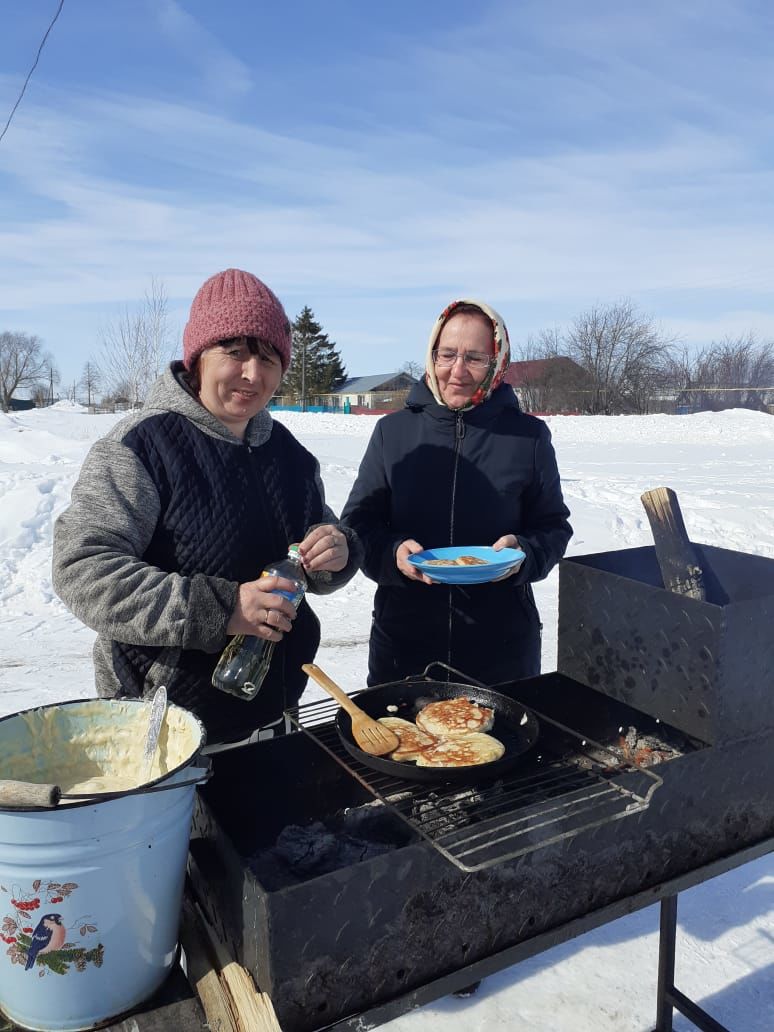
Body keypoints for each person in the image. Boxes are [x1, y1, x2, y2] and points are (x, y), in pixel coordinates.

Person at [53, 268, 362, 744]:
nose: (253, 374)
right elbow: (84, 570)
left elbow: (317, 543)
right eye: (234, 352)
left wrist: (337, 552)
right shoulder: (142, 446)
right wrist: (222, 610)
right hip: (163, 732)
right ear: (198, 356)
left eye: (268, 357)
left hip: (274, 714)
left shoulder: (291, 455)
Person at [341, 298, 572, 690]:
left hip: (502, 650)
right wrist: (392, 553)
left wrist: (525, 553)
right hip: (405, 646)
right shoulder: (393, 434)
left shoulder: (527, 438)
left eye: (475, 358)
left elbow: (553, 527)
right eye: (447, 354)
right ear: (432, 355)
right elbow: (358, 524)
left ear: (497, 361)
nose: (458, 371)